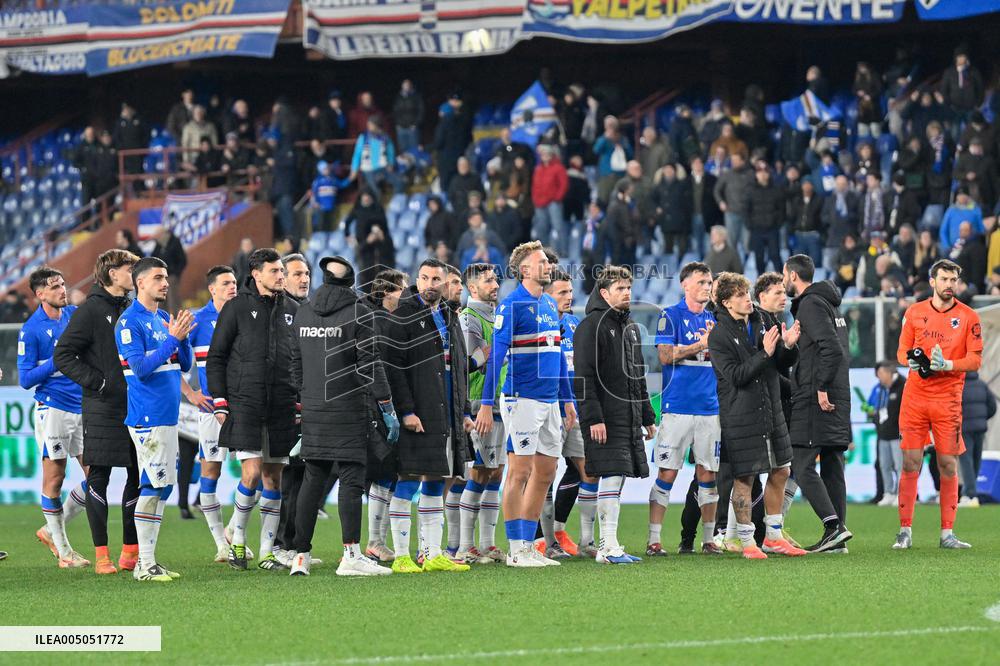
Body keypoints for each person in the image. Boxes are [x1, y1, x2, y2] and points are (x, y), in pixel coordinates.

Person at [288, 256, 399, 577]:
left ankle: (300, 556)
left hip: (313, 409)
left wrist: (308, 395)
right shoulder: (359, 313)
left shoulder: (303, 312)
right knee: (351, 480)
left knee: (312, 480)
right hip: (349, 409)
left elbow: (295, 364)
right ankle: (351, 555)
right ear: (350, 282)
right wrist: (386, 404)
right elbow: (370, 364)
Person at [475, 241, 576, 567]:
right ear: (525, 270)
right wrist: (487, 403)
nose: (548, 266)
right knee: (519, 472)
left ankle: (530, 546)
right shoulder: (512, 306)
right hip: (522, 400)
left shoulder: (548, 304)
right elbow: (496, 359)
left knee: (546, 472)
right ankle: (517, 549)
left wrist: (567, 401)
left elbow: (559, 356)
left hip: (549, 403)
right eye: (542, 261)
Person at [207, 248, 300, 571]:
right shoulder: (236, 308)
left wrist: (299, 399)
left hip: (283, 406)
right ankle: (238, 541)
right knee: (251, 474)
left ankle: (266, 552)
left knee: (274, 479)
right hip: (245, 404)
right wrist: (220, 401)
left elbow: (298, 360)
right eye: (275, 271)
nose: (281, 276)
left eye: (282, 271)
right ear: (256, 274)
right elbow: (216, 357)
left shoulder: (294, 310)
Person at [383, 259, 473, 573]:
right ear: (417, 280)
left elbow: (459, 366)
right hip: (418, 411)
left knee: (436, 478)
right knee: (407, 480)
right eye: (425, 277)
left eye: (437, 278)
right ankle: (401, 556)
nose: (430, 284)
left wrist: (463, 410)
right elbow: (394, 369)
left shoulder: (449, 315)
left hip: (445, 409)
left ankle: (433, 553)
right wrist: (406, 411)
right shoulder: (402, 316)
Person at [708, 272, 806, 560]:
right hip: (740, 414)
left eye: (747, 293)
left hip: (771, 409)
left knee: (782, 470)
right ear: (726, 302)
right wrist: (764, 353)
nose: (746, 299)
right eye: (739, 295)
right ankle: (746, 540)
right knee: (745, 479)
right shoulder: (719, 336)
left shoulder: (763, 321)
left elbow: (779, 363)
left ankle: (774, 537)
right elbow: (736, 376)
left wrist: (788, 346)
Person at [54, 249, 141, 575]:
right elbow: (63, 355)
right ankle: (102, 554)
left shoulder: (132, 308)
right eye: (128, 267)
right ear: (110, 274)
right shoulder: (89, 311)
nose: (134, 271)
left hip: (135, 406)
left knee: (137, 474)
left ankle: (130, 551)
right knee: (99, 477)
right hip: (102, 407)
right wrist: (99, 383)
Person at [114, 257, 194, 583]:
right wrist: (173, 339)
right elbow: (141, 370)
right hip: (148, 416)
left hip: (167, 416)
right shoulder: (128, 323)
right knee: (151, 484)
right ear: (140, 283)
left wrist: (183, 336)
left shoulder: (162, 317)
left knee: (161, 487)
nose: (165, 283)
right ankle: (143, 564)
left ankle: (148, 561)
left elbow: (184, 364)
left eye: (166, 277)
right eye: (158, 278)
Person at [895, 259, 982, 550]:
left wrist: (948, 364)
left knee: (947, 464)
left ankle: (947, 534)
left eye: (953, 280)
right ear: (932, 281)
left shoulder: (969, 316)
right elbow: (901, 352)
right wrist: (910, 360)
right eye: (944, 279)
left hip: (948, 401)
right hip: (915, 398)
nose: (949, 284)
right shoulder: (915, 312)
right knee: (910, 462)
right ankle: (904, 530)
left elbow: (975, 360)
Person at [574, 265, 656, 564]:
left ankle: (610, 543)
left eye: (629, 288)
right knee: (610, 475)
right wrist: (593, 417)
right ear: (604, 293)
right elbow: (583, 376)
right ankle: (607, 547)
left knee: (617, 477)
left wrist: (646, 416)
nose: (627, 293)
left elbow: (638, 376)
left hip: (627, 416)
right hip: (605, 418)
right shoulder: (591, 326)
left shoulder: (630, 327)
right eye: (620, 289)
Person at [647, 262, 721, 556]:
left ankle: (708, 539)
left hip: (709, 408)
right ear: (685, 285)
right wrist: (700, 344)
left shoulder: (714, 319)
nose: (707, 286)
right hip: (677, 407)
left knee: (708, 474)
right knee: (667, 472)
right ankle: (654, 540)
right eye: (702, 282)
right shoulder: (670, 316)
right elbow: (665, 356)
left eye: (710, 282)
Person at [17, 267, 89, 568]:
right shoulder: (31, 329)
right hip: (53, 408)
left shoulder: (73, 315)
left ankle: (50, 531)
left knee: (97, 474)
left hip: (81, 405)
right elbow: (25, 378)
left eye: (63, 283)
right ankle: (64, 551)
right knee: (55, 478)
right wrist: (56, 362)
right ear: (40, 294)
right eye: (54, 286)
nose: (62, 289)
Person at [784, 254, 853, 553]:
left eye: (784, 275)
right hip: (839, 392)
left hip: (817, 395)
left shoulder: (810, 304)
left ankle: (832, 526)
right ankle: (839, 537)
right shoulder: (831, 303)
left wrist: (821, 387)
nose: (783, 280)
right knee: (833, 464)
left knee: (801, 463)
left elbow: (831, 349)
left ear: (793, 276)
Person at [534, 266, 598, 559]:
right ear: (547, 295)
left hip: (575, 408)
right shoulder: (536, 322)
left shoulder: (575, 325)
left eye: (571, 291)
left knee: (587, 470)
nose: (569, 297)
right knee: (543, 474)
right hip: (545, 407)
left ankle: (563, 532)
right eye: (562, 292)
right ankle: (540, 539)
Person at [455, 263, 509, 564]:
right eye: (488, 280)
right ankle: (466, 546)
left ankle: (487, 544)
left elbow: (495, 358)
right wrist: (492, 353)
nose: (495, 284)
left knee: (495, 473)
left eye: (496, 279)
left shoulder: (497, 316)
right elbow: (469, 363)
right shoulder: (469, 318)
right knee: (477, 472)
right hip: (478, 403)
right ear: (472, 288)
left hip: (499, 402)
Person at [188, 266, 239, 562]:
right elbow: (176, 363)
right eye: (226, 283)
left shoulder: (245, 316)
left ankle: (233, 529)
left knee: (257, 472)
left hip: (244, 407)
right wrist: (190, 393)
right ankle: (221, 542)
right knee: (211, 473)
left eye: (234, 282)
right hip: (210, 411)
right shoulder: (196, 322)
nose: (232, 287)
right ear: (212, 288)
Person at [362, 268, 409, 562]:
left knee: (387, 476)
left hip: (384, 403)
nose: (405, 295)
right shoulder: (377, 321)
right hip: (378, 406)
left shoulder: (384, 318)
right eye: (402, 289)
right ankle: (374, 540)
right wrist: (386, 406)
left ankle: (377, 539)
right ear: (388, 292)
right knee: (382, 474)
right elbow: (377, 366)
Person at [866, 361, 906, 507]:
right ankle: (888, 492)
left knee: (899, 466)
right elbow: (878, 408)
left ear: (890, 372)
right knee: (884, 465)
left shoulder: (903, 385)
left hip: (897, 434)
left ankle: (901, 494)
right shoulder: (881, 389)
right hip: (883, 433)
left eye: (881, 374)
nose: (879, 377)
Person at [959, 371, 995, 507]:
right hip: (980, 428)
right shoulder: (982, 385)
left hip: (965, 429)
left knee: (966, 460)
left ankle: (970, 494)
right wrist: (982, 419)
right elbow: (993, 406)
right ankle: (969, 492)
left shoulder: (959, 386)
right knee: (976, 459)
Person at [531, 145, 570, 256]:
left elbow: (564, 185)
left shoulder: (558, 168)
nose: (545, 156)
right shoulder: (538, 169)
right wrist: (535, 198)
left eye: (547, 154)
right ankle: (545, 251)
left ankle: (563, 251)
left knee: (558, 227)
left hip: (553, 202)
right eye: (543, 154)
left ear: (552, 155)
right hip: (539, 203)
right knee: (541, 228)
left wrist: (557, 197)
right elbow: (534, 186)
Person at [713, 152, 754, 255]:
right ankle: (732, 267)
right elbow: (717, 190)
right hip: (731, 212)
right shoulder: (727, 174)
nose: (733, 163)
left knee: (747, 244)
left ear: (742, 161)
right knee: (731, 243)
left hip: (747, 213)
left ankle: (746, 267)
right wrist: (721, 202)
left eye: (736, 160)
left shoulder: (750, 174)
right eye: (732, 161)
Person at [746, 166, 784, 274]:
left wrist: (777, 223)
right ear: (756, 175)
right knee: (759, 257)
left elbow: (781, 209)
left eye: (765, 172)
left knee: (775, 255)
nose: (762, 175)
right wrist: (750, 225)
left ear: (769, 174)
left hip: (772, 229)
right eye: (759, 172)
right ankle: (760, 281)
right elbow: (746, 210)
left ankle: (782, 281)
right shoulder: (751, 190)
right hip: (757, 229)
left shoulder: (776, 189)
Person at [350, 116, 401, 195]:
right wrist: (354, 169)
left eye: (371, 125)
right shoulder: (363, 137)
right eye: (368, 124)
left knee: (399, 182)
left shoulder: (385, 137)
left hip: (383, 168)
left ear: (377, 125)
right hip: (368, 170)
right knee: (375, 191)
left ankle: (395, 202)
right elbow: (357, 154)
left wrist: (391, 163)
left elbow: (390, 151)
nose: (369, 127)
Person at [151, 226, 187, 315]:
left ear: (162, 234)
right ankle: (162, 317)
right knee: (161, 298)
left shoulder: (174, 242)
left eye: (157, 235)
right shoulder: (159, 244)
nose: (155, 237)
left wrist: (176, 273)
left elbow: (182, 259)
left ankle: (177, 318)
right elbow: (153, 257)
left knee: (173, 298)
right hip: (161, 276)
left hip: (171, 275)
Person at [310, 160, 350, 234]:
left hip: (331, 206)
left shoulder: (333, 179)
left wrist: (349, 179)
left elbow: (341, 185)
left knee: (330, 224)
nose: (327, 170)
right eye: (325, 169)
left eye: (327, 168)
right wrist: (315, 202)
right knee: (320, 224)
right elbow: (314, 192)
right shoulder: (318, 181)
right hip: (321, 207)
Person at [393, 79, 424, 154]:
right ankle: (405, 165)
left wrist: (416, 124)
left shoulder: (416, 96)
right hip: (401, 128)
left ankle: (415, 165)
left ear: (411, 86)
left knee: (414, 149)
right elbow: (395, 111)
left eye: (408, 85)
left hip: (412, 128)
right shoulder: (398, 97)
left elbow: (421, 111)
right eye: (404, 85)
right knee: (403, 150)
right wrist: (397, 124)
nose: (406, 87)